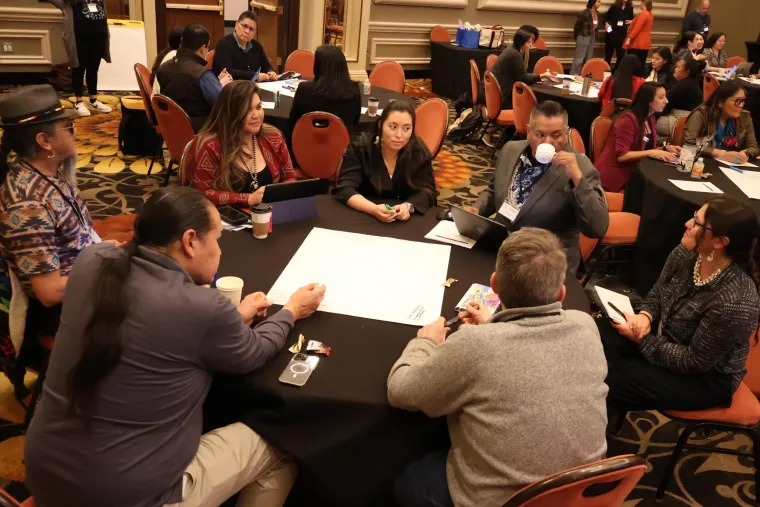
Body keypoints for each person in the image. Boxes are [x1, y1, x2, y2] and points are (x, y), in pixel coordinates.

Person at [24, 186, 327, 507]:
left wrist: (231, 319)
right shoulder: (202, 307)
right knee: (285, 442)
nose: (221, 251)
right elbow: (254, 352)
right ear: (190, 241)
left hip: (45, 472)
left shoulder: (92, 260)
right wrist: (292, 309)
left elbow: (145, 322)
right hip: (128, 496)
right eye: (218, 239)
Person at [388, 227, 608, 507]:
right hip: (582, 494)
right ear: (562, 293)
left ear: (494, 284)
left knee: (407, 479)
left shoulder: (474, 345)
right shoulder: (585, 324)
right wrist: (493, 327)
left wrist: (425, 343)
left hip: (502, 501)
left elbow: (400, 390)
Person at [600, 198, 760, 421]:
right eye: (694, 217)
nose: (687, 224)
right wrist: (646, 315)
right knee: (597, 337)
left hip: (705, 379)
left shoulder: (734, 301)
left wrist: (642, 341)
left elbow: (694, 361)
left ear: (719, 242)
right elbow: (657, 292)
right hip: (664, 337)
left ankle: (597, 437)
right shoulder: (687, 252)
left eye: (697, 223)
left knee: (610, 378)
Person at [0, 85, 101, 395]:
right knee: (160, 316)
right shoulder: (26, 202)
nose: (74, 133)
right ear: (44, 141)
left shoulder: (48, 173)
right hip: (61, 312)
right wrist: (107, 266)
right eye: (67, 128)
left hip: (86, 279)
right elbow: (48, 291)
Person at [463, 101, 608, 275]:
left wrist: (577, 178)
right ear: (529, 131)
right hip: (501, 248)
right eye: (540, 134)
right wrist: (477, 209)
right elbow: (494, 191)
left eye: (556, 136)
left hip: (544, 264)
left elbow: (597, 227)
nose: (548, 142)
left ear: (566, 134)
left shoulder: (581, 167)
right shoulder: (511, 149)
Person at [183, 80, 295, 208]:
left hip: (269, 214)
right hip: (223, 218)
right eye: (247, 110)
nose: (256, 115)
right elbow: (201, 193)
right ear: (232, 113)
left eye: (258, 107)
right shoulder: (209, 144)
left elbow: (290, 178)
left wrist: (279, 193)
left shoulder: (274, 137)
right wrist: (247, 199)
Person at [335, 101, 436, 222]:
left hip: (402, 222)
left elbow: (428, 191)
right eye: (393, 127)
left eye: (406, 128)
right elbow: (345, 188)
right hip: (363, 215)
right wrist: (373, 209)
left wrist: (408, 206)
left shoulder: (419, 151)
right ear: (380, 125)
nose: (399, 135)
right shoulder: (361, 147)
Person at [595, 83, 682, 192]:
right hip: (615, 178)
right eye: (661, 97)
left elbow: (643, 150)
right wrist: (652, 152)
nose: (666, 101)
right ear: (648, 101)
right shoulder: (627, 120)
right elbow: (622, 156)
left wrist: (665, 149)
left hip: (635, 173)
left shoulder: (650, 119)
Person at [156, 24, 233, 133]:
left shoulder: (163, 68)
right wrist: (220, 86)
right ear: (203, 49)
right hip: (202, 132)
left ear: (182, 42)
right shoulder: (203, 75)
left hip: (172, 130)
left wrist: (215, 82)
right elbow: (224, 104)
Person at [49, 0, 112, 117]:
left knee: (93, 69)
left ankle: (93, 100)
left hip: (98, 37)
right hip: (79, 39)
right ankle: (79, 102)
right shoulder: (71, 2)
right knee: (78, 68)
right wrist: (63, 8)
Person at [288, 45, 361, 144]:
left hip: (306, 147)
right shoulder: (353, 89)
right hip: (343, 151)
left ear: (318, 66)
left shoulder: (305, 90)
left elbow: (294, 120)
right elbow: (355, 122)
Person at [684, 80, 759, 163]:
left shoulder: (745, 118)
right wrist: (721, 154)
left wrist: (745, 153)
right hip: (703, 163)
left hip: (731, 166)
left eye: (743, 101)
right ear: (720, 102)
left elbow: (753, 147)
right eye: (737, 101)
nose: (741, 105)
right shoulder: (701, 115)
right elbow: (689, 144)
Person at [490, 29, 557, 107]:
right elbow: (523, 78)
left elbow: (519, 75)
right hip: (502, 96)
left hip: (494, 91)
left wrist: (534, 78)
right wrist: (543, 75)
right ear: (521, 43)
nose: (531, 44)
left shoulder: (511, 50)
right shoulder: (514, 54)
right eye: (528, 42)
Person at [212, 11, 277, 82]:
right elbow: (228, 71)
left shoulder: (256, 46)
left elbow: (266, 65)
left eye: (251, 29)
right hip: (229, 88)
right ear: (236, 25)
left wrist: (271, 72)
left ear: (255, 32)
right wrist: (254, 76)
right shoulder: (223, 44)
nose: (247, 31)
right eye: (245, 26)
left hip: (251, 87)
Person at [656, 57, 704, 138]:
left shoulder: (685, 85)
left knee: (645, 123)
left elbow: (665, 100)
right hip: (686, 120)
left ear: (687, 72)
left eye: (678, 67)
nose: (675, 69)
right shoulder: (691, 82)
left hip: (682, 122)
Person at [150, 25, 184, 96]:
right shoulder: (175, 57)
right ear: (182, 43)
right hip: (163, 101)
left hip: (159, 99)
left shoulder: (167, 53)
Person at [571, 0, 601, 76]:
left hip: (592, 35)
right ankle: (574, 75)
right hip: (583, 35)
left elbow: (597, 25)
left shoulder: (598, 13)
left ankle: (584, 75)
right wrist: (577, 37)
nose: (600, 3)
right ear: (593, 2)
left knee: (589, 57)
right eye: (598, 1)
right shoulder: (584, 12)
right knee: (579, 58)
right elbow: (577, 26)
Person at [604, 0, 634, 70]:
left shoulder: (630, 8)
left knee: (621, 56)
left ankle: (616, 73)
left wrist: (631, 23)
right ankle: (606, 72)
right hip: (612, 33)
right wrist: (607, 24)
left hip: (622, 34)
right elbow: (606, 18)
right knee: (608, 55)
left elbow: (631, 19)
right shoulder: (614, 6)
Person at [623, 0, 654, 68]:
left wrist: (629, 38)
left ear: (643, 3)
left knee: (632, 64)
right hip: (645, 42)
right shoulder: (650, 14)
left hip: (638, 42)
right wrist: (632, 21)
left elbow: (637, 28)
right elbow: (644, 25)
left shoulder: (643, 13)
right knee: (641, 63)